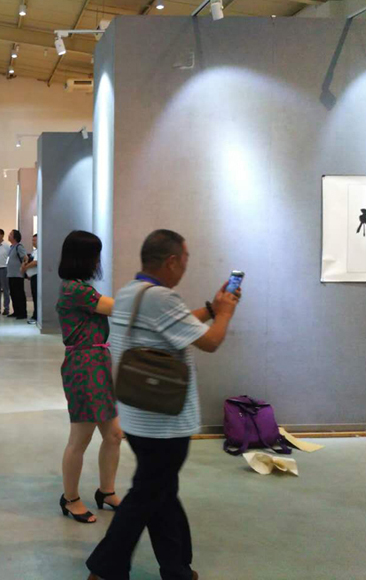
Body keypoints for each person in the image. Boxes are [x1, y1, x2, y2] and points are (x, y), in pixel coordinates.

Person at [86, 229, 240, 580]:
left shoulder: (132, 292)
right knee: (147, 495)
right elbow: (210, 342)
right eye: (185, 259)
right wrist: (226, 313)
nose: (186, 266)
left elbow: (176, 326)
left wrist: (212, 308)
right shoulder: (162, 298)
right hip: (165, 423)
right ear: (171, 261)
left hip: (137, 415)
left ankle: (177, 568)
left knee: (162, 493)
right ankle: (104, 569)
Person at [56, 231, 124, 524]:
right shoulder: (75, 289)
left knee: (114, 434)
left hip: (97, 363)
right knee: (80, 438)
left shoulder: (80, 287)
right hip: (84, 367)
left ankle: (106, 491)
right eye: (95, 255)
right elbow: (116, 307)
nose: (98, 261)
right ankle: (70, 498)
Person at [6, 229, 28, 319]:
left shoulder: (19, 247)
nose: (9, 235)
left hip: (17, 275)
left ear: (15, 237)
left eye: (11, 234)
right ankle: (16, 311)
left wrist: (23, 267)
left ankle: (22, 313)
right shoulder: (11, 247)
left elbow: (25, 258)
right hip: (11, 274)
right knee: (13, 294)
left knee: (19, 294)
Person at [22, 233, 39, 325]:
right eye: (32, 240)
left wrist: (25, 267)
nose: (33, 242)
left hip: (37, 277)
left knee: (36, 297)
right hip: (33, 277)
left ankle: (36, 316)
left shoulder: (39, 251)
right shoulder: (34, 251)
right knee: (34, 296)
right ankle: (35, 315)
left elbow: (35, 262)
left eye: (35, 240)